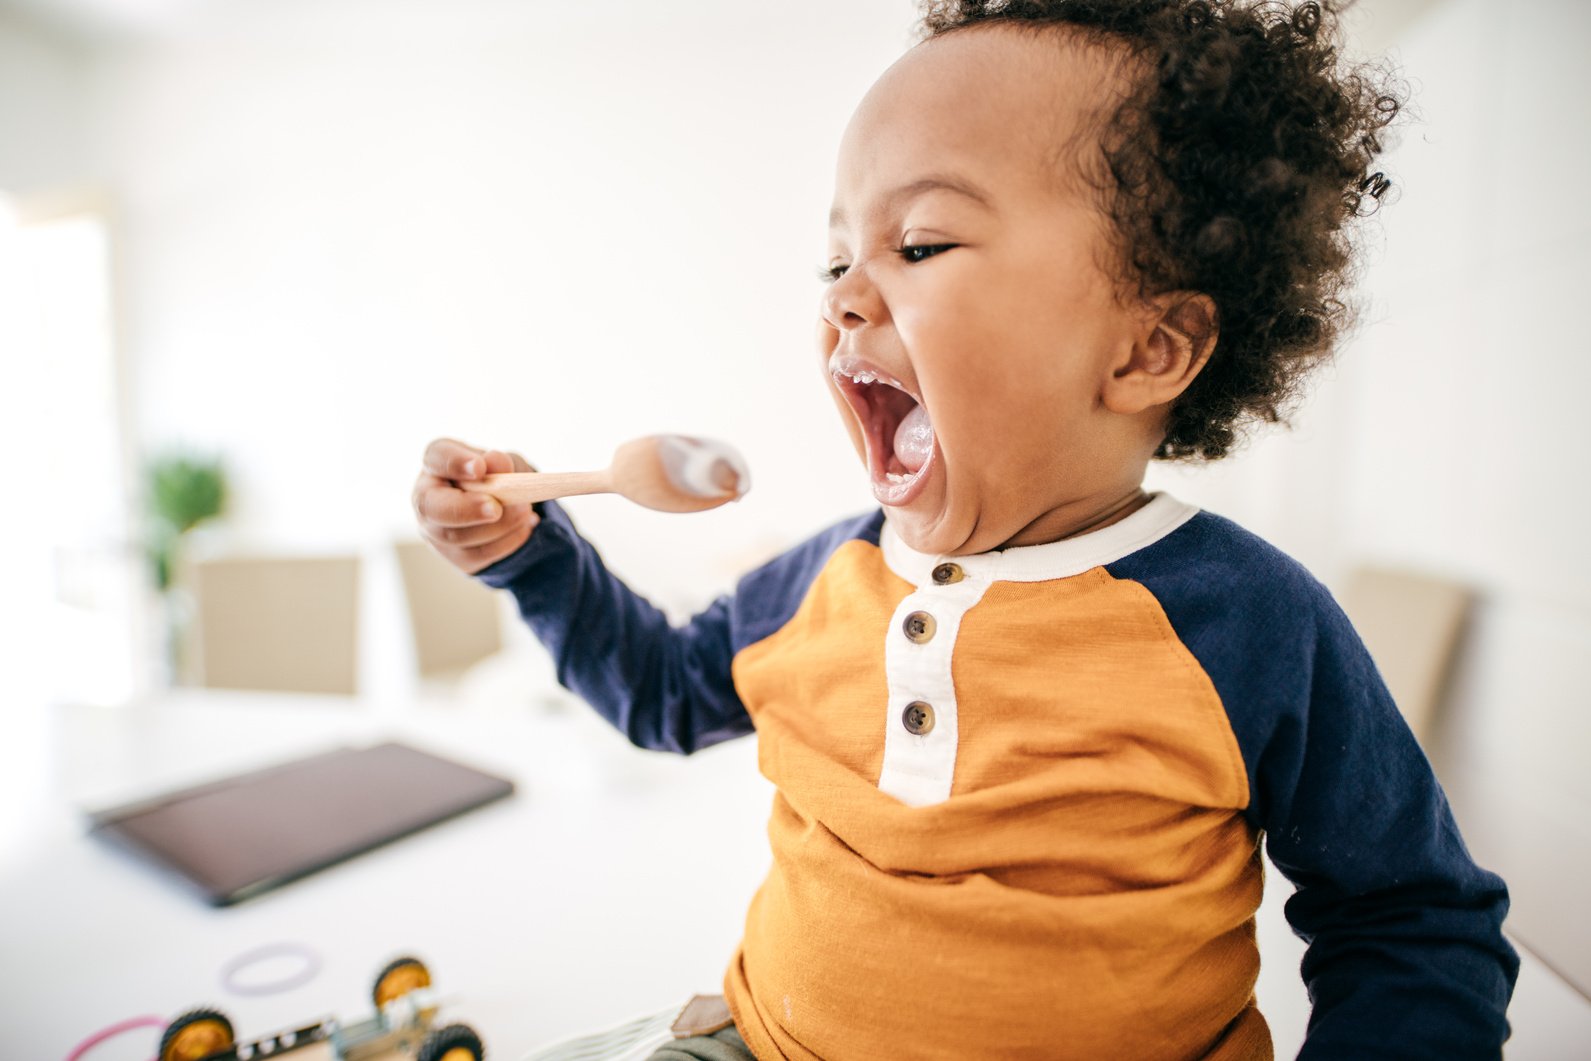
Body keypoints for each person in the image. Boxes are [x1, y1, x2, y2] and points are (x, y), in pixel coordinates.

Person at [411, 2, 1517, 1057]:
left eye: (923, 244)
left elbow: (1411, 918)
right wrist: (532, 555)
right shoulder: (819, 580)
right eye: (836, 257)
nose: (846, 294)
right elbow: (659, 693)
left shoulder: (1247, 621)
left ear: (1148, 349)